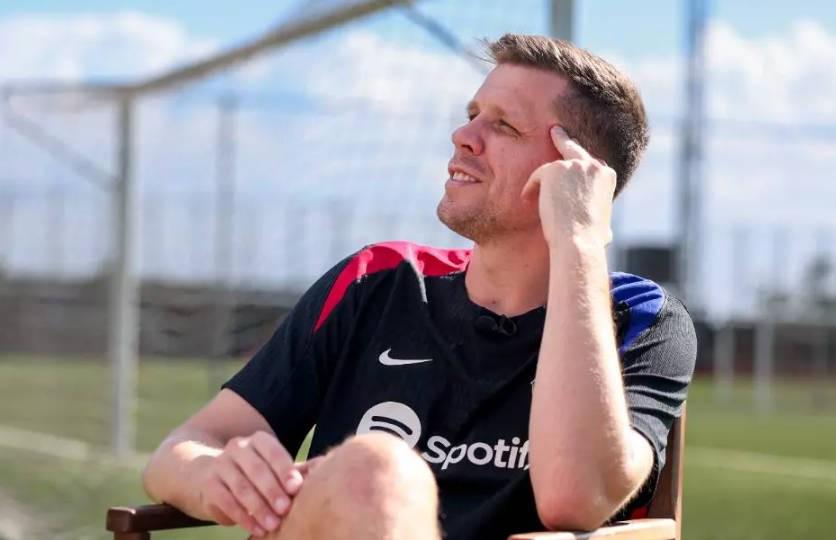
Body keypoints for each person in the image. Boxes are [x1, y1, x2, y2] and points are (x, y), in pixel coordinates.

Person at [142, 34, 697, 540]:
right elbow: (180, 452)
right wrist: (215, 475)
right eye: (472, 115)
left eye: (504, 125)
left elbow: (572, 500)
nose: (463, 136)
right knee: (375, 471)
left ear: (580, 172)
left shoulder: (643, 318)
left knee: (376, 471)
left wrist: (578, 240)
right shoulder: (377, 281)